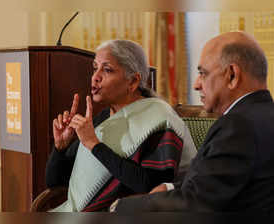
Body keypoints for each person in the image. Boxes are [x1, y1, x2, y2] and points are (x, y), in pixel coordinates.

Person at [114, 31, 274, 213]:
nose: (196, 84)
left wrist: (121, 207)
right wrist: (171, 188)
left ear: (232, 75)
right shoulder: (262, 115)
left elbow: (195, 204)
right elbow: (220, 181)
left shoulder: (238, 126)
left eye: (203, 73)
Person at [45, 39, 197, 212]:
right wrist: (60, 148)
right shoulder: (103, 118)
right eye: (95, 68)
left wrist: (95, 145)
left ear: (132, 82)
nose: (96, 77)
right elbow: (55, 182)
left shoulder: (160, 118)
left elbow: (152, 188)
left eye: (107, 70)